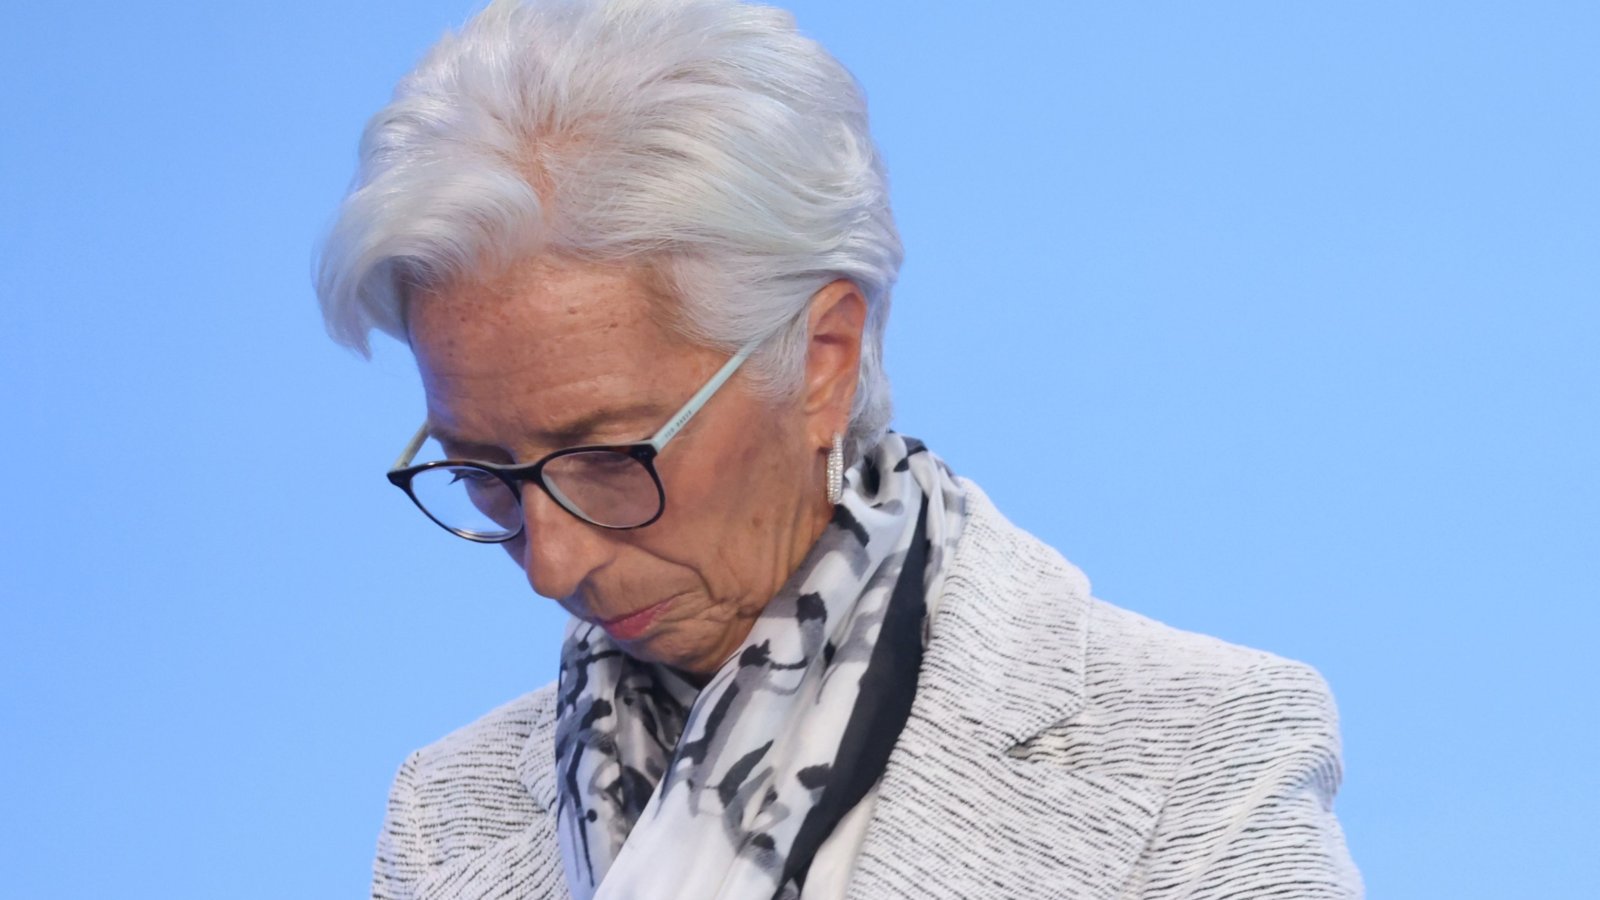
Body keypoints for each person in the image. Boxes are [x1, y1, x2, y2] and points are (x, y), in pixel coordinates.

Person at [315, 0, 1363, 897]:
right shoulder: (446, 816)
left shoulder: (1198, 752)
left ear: (822, 359)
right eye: (484, 475)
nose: (550, 565)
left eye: (610, 458)